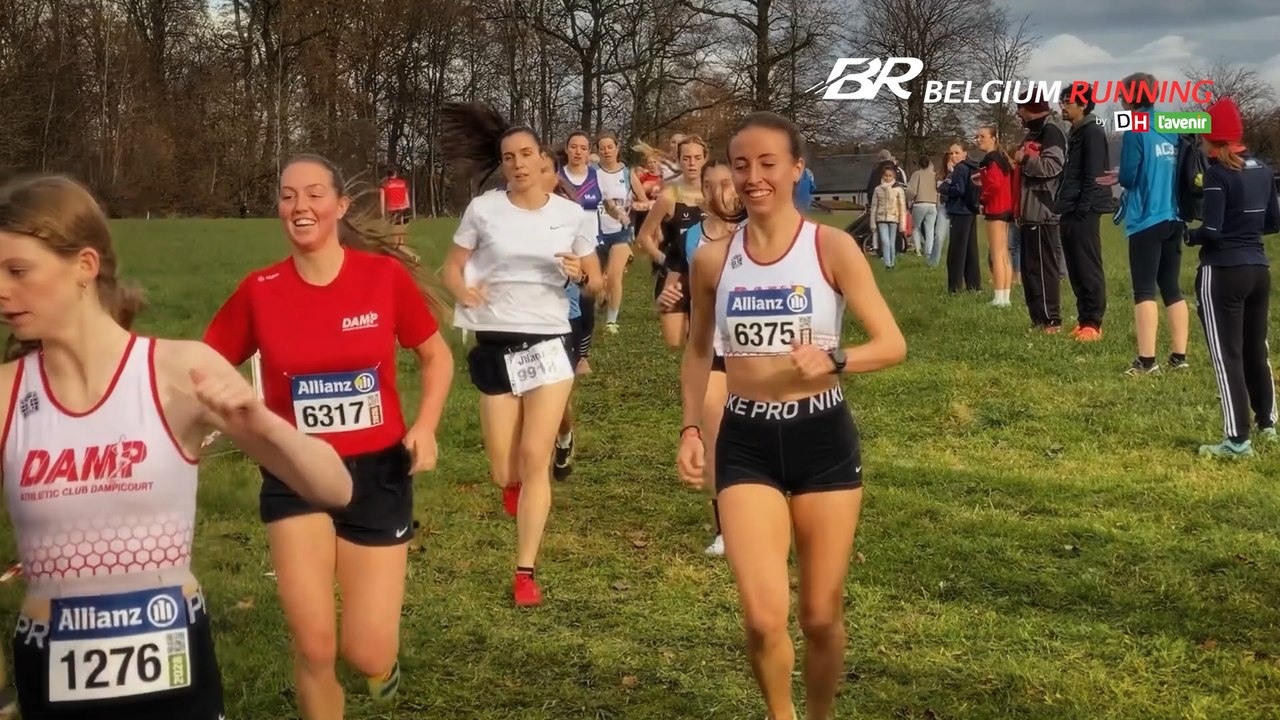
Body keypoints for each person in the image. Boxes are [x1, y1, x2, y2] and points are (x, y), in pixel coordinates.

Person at [0, 174, 353, 720]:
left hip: (172, 662)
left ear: (84, 266)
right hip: (50, 672)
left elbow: (335, 488)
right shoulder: (7, 394)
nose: (2, 289)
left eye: (18, 271)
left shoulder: (177, 371)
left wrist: (263, 423)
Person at [204, 154, 454, 720]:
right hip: (295, 472)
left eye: (314, 194)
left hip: (378, 473)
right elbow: (204, 364)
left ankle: (381, 664)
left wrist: (425, 426)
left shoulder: (382, 279)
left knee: (366, 651)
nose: (300, 206)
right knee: (315, 646)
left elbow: (436, 357)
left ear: (340, 206)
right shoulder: (260, 290)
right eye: (288, 195)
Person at [677, 111, 906, 720]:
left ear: (797, 169)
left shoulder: (830, 247)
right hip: (745, 441)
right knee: (761, 617)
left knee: (820, 616)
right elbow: (698, 351)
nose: (753, 177)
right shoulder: (713, 260)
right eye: (741, 165)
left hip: (822, 438)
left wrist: (836, 359)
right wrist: (692, 427)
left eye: (767, 163)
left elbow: (892, 344)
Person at [438, 101, 604, 606]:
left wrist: (580, 272)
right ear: (503, 163)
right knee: (502, 470)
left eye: (526, 154)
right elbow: (451, 267)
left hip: (549, 343)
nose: (518, 164)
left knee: (535, 459)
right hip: (495, 344)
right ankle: (514, 487)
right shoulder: (483, 209)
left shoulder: (571, 215)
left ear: (541, 158)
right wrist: (462, 291)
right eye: (509, 157)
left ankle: (525, 571)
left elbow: (596, 282)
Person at [1185, 97, 1279, 458]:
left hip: (1223, 271)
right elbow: (1273, 222)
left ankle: (1237, 441)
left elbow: (1212, 230)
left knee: (1228, 358)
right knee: (1257, 351)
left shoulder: (1217, 174)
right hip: (1258, 269)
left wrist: (1190, 235)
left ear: (1211, 138)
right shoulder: (1263, 170)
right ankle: (1267, 424)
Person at [660, 159, 739, 557]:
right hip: (712, 350)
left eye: (726, 182)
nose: (718, 191)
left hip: (758, 353)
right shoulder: (690, 237)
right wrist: (668, 299)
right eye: (710, 185)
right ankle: (725, 528)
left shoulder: (756, 231)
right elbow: (673, 289)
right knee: (714, 436)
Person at [1097, 72, 1191, 375]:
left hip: (1147, 218)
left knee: (1144, 290)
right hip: (1174, 215)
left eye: (1121, 94)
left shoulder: (1135, 127)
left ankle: (1147, 361)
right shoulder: (1171, 124)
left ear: (1130, 97)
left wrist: (1121, 174)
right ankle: (1179, 357)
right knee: (1172, 288)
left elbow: (1128, 177)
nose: (1119, 99)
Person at [638, 136, 707, 348]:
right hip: (675, 280)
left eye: (697, 158)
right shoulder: (669, 195)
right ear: (678, 160)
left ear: (705, 159)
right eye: (686, 158)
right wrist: (664, 261)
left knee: (705, 345)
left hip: (707, 278)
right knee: (678, 344)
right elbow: (643, 237)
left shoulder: (716, 194)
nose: (692, 163)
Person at [1056, 84, 1110, 341]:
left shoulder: (1093, 131)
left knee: (1087, 266)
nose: (1063, 106)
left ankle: (1093, 323)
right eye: (1062, 101)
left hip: (1084, 209)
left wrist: (1083, 207)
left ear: (1083, 104)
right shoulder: (1075, 132)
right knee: (1075, 266)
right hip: (1069, 206)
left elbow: (1093, 174)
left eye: (1068, 101)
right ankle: (1083, 319)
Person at [1014, 93, 1067, 332]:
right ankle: (1037, 319)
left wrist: (1025, 159)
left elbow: (1053, 166)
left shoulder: (1051, 132)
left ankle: (1052, 320)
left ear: (1031, 108)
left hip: (1043, 210)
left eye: (1021, 108)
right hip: (1028, 211)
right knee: (1030, 271)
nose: (1018, 113)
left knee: (1044, 269)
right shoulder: (1033, 133)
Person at [559, 132, 601, 370]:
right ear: (566, 149)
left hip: (593, 247)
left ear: (588, 152)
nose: (578, 151)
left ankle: (583, 355)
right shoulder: (557, 177)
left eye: (583, 148)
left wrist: (620, 216)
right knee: (570, 301)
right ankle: (572, 355)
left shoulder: (597, 176)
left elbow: (610, 205)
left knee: (587, 303)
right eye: (573, 146)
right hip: (568, 247)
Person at [595, 131, 638, 334]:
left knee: (614, 276)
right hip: (597, 231)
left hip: (621, 232)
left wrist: (632, 209)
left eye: (610, 147)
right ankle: (602, 297)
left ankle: (611, 321)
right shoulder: (592, 173)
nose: (606, 151)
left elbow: (644, 199)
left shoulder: (628, 174)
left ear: (617, 148)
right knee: (595, 282)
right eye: (602, 148)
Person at [974, 126, 1015, 307]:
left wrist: (982, 198)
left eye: (982, 136)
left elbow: (994, 184)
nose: (978, 139)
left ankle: (999, 298)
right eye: (977, 136)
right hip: (1006, 208)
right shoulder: (1002, 158)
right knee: (1004, 254)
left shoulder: (989, 160)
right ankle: (1005, 296)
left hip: (995, 208)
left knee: (997, 254)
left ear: (993, 138)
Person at [939, 142, 982, 292]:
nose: (953, 156)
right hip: (970, 210)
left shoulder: (959, 168)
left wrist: (943, 186)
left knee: (956, 251)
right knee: (971, 250)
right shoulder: (972, 167)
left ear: (965, 153)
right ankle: (974, 285)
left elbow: (958, 189)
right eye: (951, 153)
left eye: (957, 153)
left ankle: (954, 287)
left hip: (959, 210)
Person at [868, 166, 907, 269]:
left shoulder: (898, 190)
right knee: (885, 241)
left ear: (893, 176)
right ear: (882, 176)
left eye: (890, 176)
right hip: (881, 219)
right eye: (886, 175)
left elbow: (902, 207)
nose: (888, 178)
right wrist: (872, 223)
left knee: (891, 242)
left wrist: (902, 224)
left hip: (894, 218)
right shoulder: (878, 189)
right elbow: (874, 207)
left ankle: (892, 262)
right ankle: (887, 264)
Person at [906, 155, 938, 260]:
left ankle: (918, 250)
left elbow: (912, 191)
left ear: (919, 164)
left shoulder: (917, 174)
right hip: (932, 204)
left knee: (916, 228)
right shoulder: (935, 175)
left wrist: (909, 199)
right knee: (930, 230)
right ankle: (929, 252)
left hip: (919, 204)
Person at [380, 169, 411, 248]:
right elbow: (406, 196)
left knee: (394, 227)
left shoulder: (384, 185)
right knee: (402, 226)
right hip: (403, 207)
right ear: (395, 173)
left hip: (392, 208)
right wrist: (408, 206)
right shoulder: (402, 183)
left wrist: (382, 214)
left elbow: (382, 200)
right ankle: (401, 242)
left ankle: (396, 244)